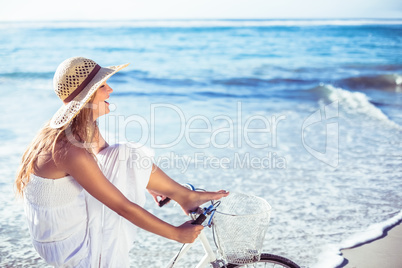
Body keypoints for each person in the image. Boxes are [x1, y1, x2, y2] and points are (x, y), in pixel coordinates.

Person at [15, 56, 229, 267]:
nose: (111, 90)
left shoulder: (80, 129)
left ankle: (185, 196)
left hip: (62, 229)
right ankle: (185, 196)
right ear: (87, 97)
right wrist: (175, 234)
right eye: (103, 86)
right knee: (121, 205)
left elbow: (114, 156)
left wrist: (144, 179)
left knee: (125, 152)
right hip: (69, 249)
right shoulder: (69, 150)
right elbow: (122, 207)